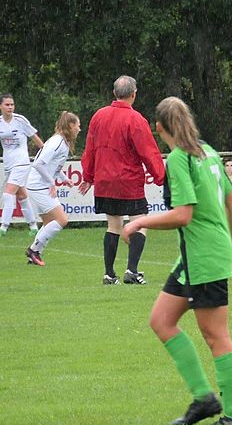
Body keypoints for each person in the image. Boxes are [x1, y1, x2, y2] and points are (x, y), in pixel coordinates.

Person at [121, 96, 232, 425]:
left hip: (204, 256)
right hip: (195, 255)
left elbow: (183, 215)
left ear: (158, 128)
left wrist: (139, 221)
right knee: (161, 321)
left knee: (215, 335)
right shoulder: (207, 151)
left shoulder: (179, 158)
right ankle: (204, 399)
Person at [78, 75, 166, 285]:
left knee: (113, 225)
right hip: (129, 181)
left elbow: (90, 149)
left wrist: (88, 176)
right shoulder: (136, 119)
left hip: (105, 181)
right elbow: (148, 152)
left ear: (114, 93)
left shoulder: (98, 116)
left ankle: (109, 274)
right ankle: (132, 271)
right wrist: (161, 177)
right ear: (134, 94)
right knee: (139, 223)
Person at [24, 112, 81, 266]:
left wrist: (64, 178)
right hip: (38, 186)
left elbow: (52, 165)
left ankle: (34, 254)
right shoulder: (57, 142)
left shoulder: (62, 142)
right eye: (78, 125)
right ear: (70, 126)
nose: (79, 129)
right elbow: (38, 164)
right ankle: (33, 250)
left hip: (39, 185)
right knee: (62, 220)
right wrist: (51, 183)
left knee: (49, 222)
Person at [0, 93, 44, 236]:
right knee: (21, 195)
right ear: (1, 106)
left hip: (22, 163)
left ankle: (3, 227)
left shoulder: (20, 120)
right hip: (8, 164)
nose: (10, 107)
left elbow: (34, 137)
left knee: (8, 193)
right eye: (7, 104)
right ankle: (33, 226)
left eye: (12, 104)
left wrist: (45, 152)